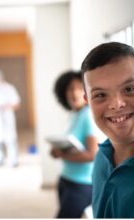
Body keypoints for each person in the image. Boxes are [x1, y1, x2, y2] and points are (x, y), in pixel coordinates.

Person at [81, 42, 134, 218]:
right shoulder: (102, 156)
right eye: (100, 95)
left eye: (129, 89)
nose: (117, 104)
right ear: (87, 101)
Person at [50, 70, 103, 218]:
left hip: (82, 184)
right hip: (66, 178)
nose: (74, 93)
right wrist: (58, 151)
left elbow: (92, 155)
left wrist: (62, 155)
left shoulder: (88, 116)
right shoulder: (74, 114)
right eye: (70, 89)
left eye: (79, 88)